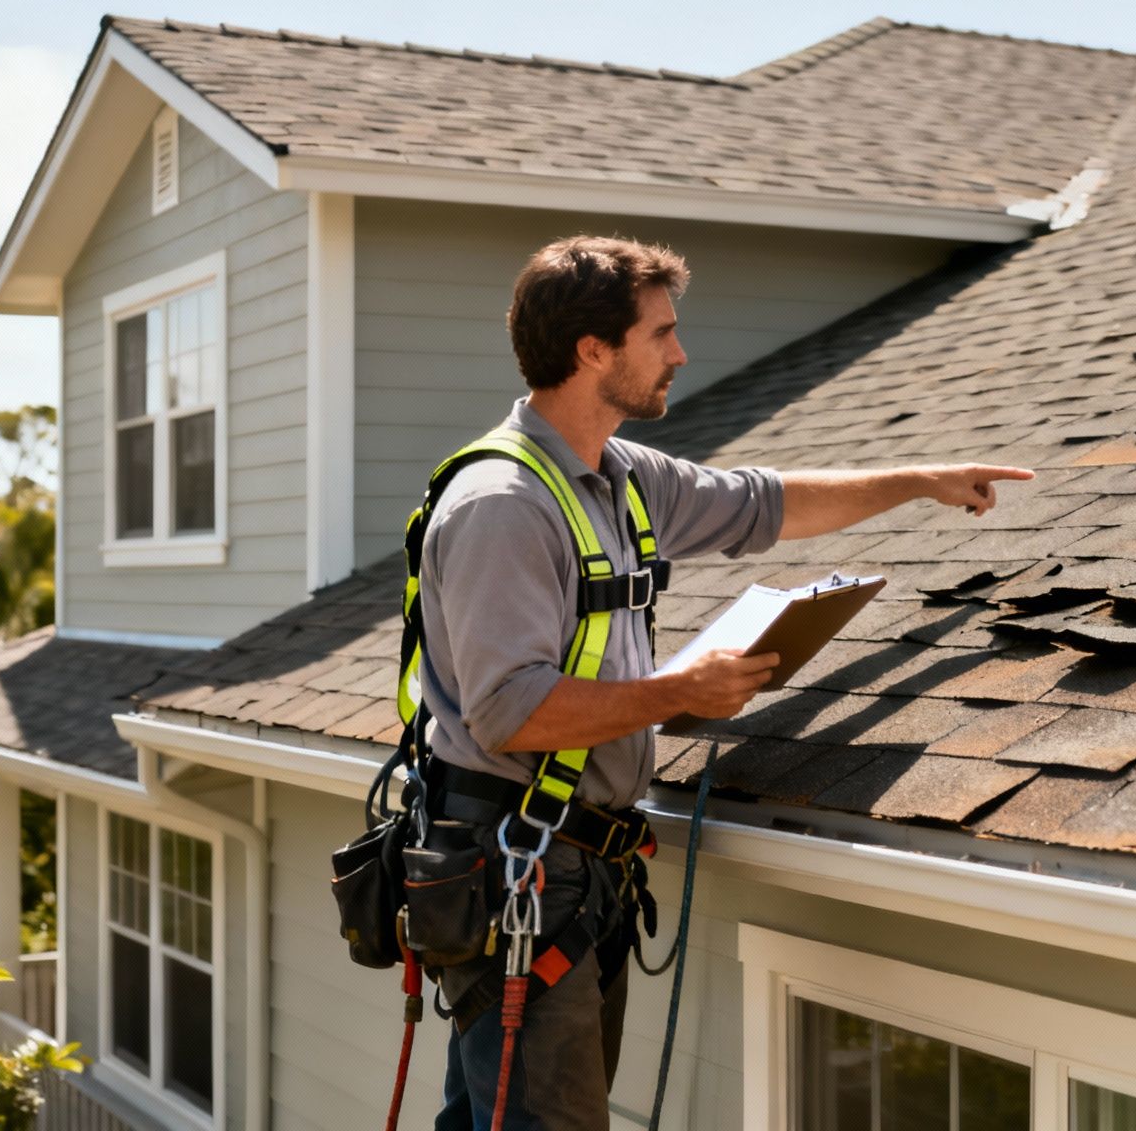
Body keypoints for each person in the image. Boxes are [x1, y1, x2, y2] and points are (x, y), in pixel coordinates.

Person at [416, 235, 1032, 1131]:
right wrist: (682, 691)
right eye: (660, 332)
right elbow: (511, 712)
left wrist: (921, 482)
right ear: (594, 351)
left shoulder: (623, 478)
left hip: (574, 869)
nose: (680, 353)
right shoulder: (505, 505)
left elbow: (766, 504)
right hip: (518, 870)